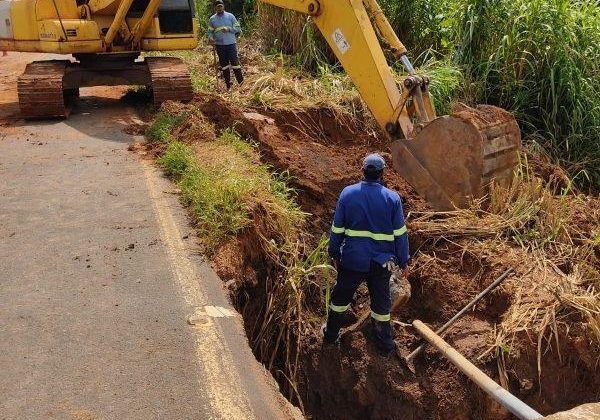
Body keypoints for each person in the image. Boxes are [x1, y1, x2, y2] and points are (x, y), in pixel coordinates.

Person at [324, 153, 410, 356]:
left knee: (340, 300)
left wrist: (334, 251)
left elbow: (337, 229)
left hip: (352, 259)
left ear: (362, 171)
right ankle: (385, 346)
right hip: (381, 263)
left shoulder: (348, 194)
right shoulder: (392, 198)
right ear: (382, 174)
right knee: (381, 305)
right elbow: (400, 234)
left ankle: (330, 336)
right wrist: (404, 261)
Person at [207, 0, 243, 90]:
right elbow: (210, 32)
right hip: (220, 45)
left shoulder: (230, 16)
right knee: (224, 65)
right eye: (217, 7)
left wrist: (229, 29)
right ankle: (228, 85)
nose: (219, 8)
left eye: (221, 6)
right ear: (215, 8)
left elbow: (237, 28)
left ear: (223, 6)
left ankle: (241, 83)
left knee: (235, 63)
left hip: (231, 44)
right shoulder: (212, 19)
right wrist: (210, 38)